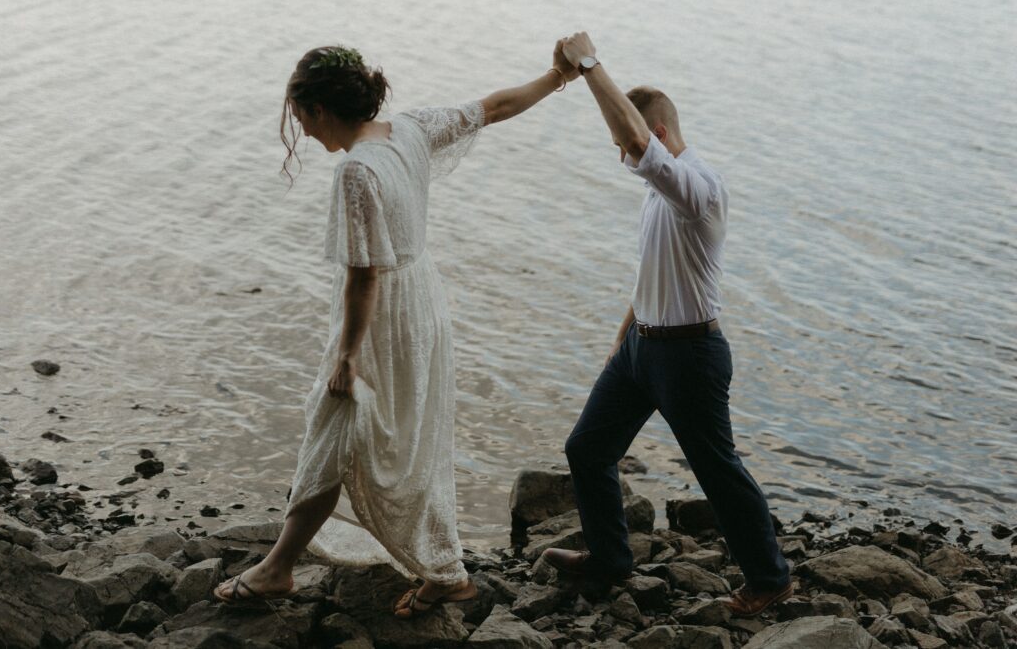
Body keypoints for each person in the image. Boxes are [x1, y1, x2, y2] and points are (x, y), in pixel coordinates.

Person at [213, 44, 580, 617]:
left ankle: (279, 569)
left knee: (331, 434)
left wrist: (346, 355)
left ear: (319, 108)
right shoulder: (406, 131)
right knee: (407, 442)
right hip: (423, 308)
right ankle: (441, 568)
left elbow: (364, 275)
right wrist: (559, 74)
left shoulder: (356, 170)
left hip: (381, 320)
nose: (304, 134)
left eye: (302, 118)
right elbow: (496, 106)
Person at [542, 32, 793, 617]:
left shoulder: (696, 189)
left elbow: (630, 135)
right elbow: (652, 270)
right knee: (587, 449)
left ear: (654, 136)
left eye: (625, 145)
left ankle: (770, 576)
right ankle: (608, 561)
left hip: (690, 355)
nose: (621, 156)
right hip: (640, 348)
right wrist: (621, 339)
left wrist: (589, 65)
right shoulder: (657, 193)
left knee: (717, 470)